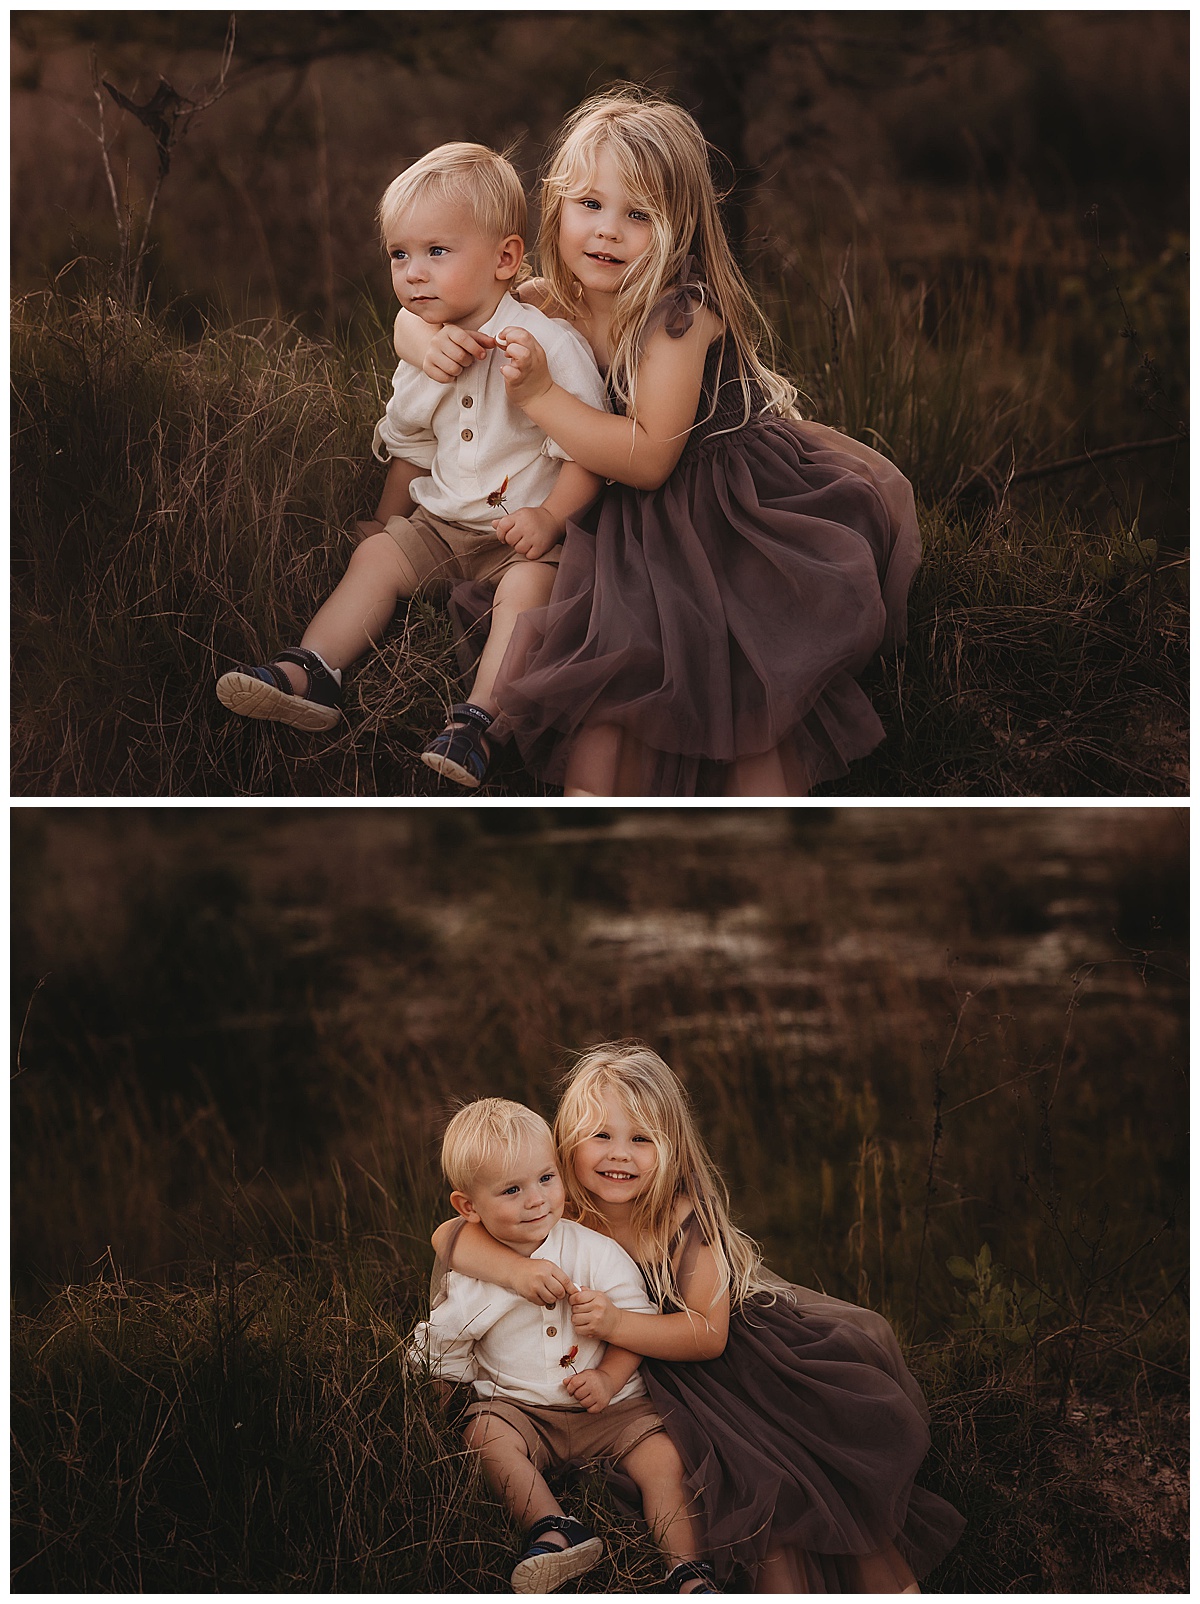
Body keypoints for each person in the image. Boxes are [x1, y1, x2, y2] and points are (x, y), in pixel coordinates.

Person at [395, 88, 922, 796]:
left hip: (721, 505)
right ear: (555, 207)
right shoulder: (555, 299)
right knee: (616, 674)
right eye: (590, 205)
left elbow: (648, 461)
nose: (607, 231)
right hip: (624, 518)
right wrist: (423, 341)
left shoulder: (682, 314)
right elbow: (427, 313)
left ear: (681, 225)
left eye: (638, 214)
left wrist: (543, 397)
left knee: (738, 674)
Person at [432, 1048, 966, 1593]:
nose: (620, 1156)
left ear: (672, 1145)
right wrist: (517, 1274)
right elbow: (448, 1238)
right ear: (567, 1141)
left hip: (730, 1365)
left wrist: (614, 1324)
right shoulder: (557, 1202)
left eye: (642, 1139)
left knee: (774, 1472)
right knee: (739, 1488)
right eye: (601, 1136)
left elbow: (708, 1336)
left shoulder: (684, 1214)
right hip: (644, 1378)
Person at [215, 142, 607, 788]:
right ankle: (311, 670)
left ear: (506, 258)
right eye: (400, 254)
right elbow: (412, 450)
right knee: (377, 557)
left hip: (524, 538)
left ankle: (480, 722)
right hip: (443, 525)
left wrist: (549, 518)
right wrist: (383, 521)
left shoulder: (549, 345)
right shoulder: (424, 354)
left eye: (436, 252)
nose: (413, 273)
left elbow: (585, 458)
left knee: (528, 592)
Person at [412, 1096, 720, 1593]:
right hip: (520, 1409)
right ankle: (554, 1530)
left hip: (610, 1410)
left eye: (546, 1179)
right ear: (468, 1207)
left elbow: (636, 1319)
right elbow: (448, 1341)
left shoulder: (592, 1249)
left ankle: (687, 1570)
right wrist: (440, 1396)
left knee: (662, 1455)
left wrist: (609, 1376)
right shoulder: (475, 1271)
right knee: (483, 1437)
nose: (536, 1200)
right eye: (512, 1190)